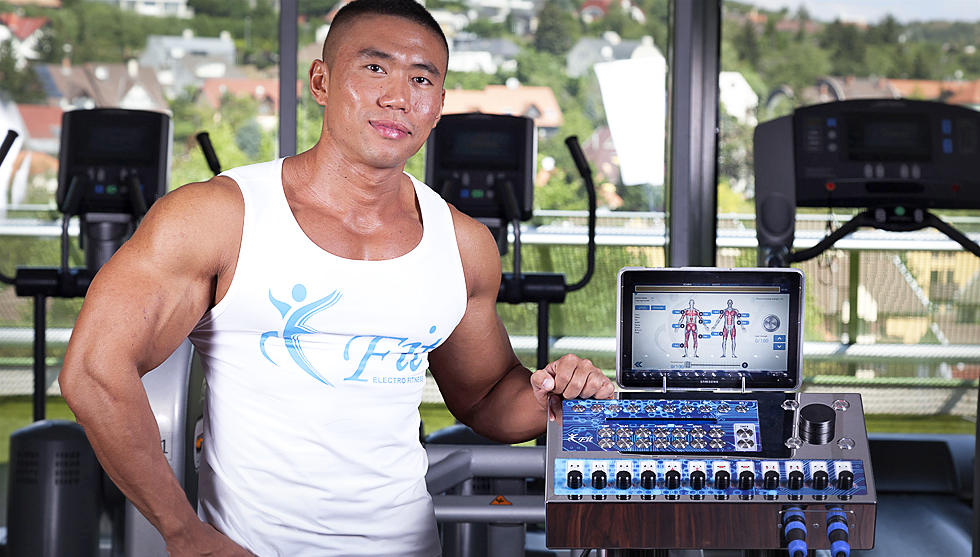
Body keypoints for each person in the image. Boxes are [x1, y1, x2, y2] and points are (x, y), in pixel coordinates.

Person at [58, 0, 614, 555]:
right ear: (320, 82)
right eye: (375, 68)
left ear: (439, 105)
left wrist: (555, 396)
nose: (398, 97)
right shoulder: (219, 217)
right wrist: (184, 532)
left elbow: (487, 396)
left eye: (421, 79)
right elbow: (93, 370)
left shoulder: (464, 244)